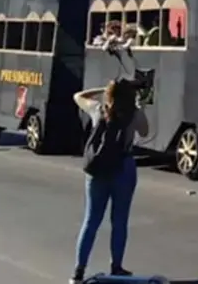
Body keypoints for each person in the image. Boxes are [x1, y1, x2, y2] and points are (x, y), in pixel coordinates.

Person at [71, 80, 150, 284]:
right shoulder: (133, 114)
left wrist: (102, 90)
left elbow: (78, 96)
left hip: (97, 169)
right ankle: (116, 267)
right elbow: (145, 132)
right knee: (119, 221)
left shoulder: (98, 109)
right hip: (123, 168)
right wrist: (139, 106)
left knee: (91, 220)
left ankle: (78, 271)